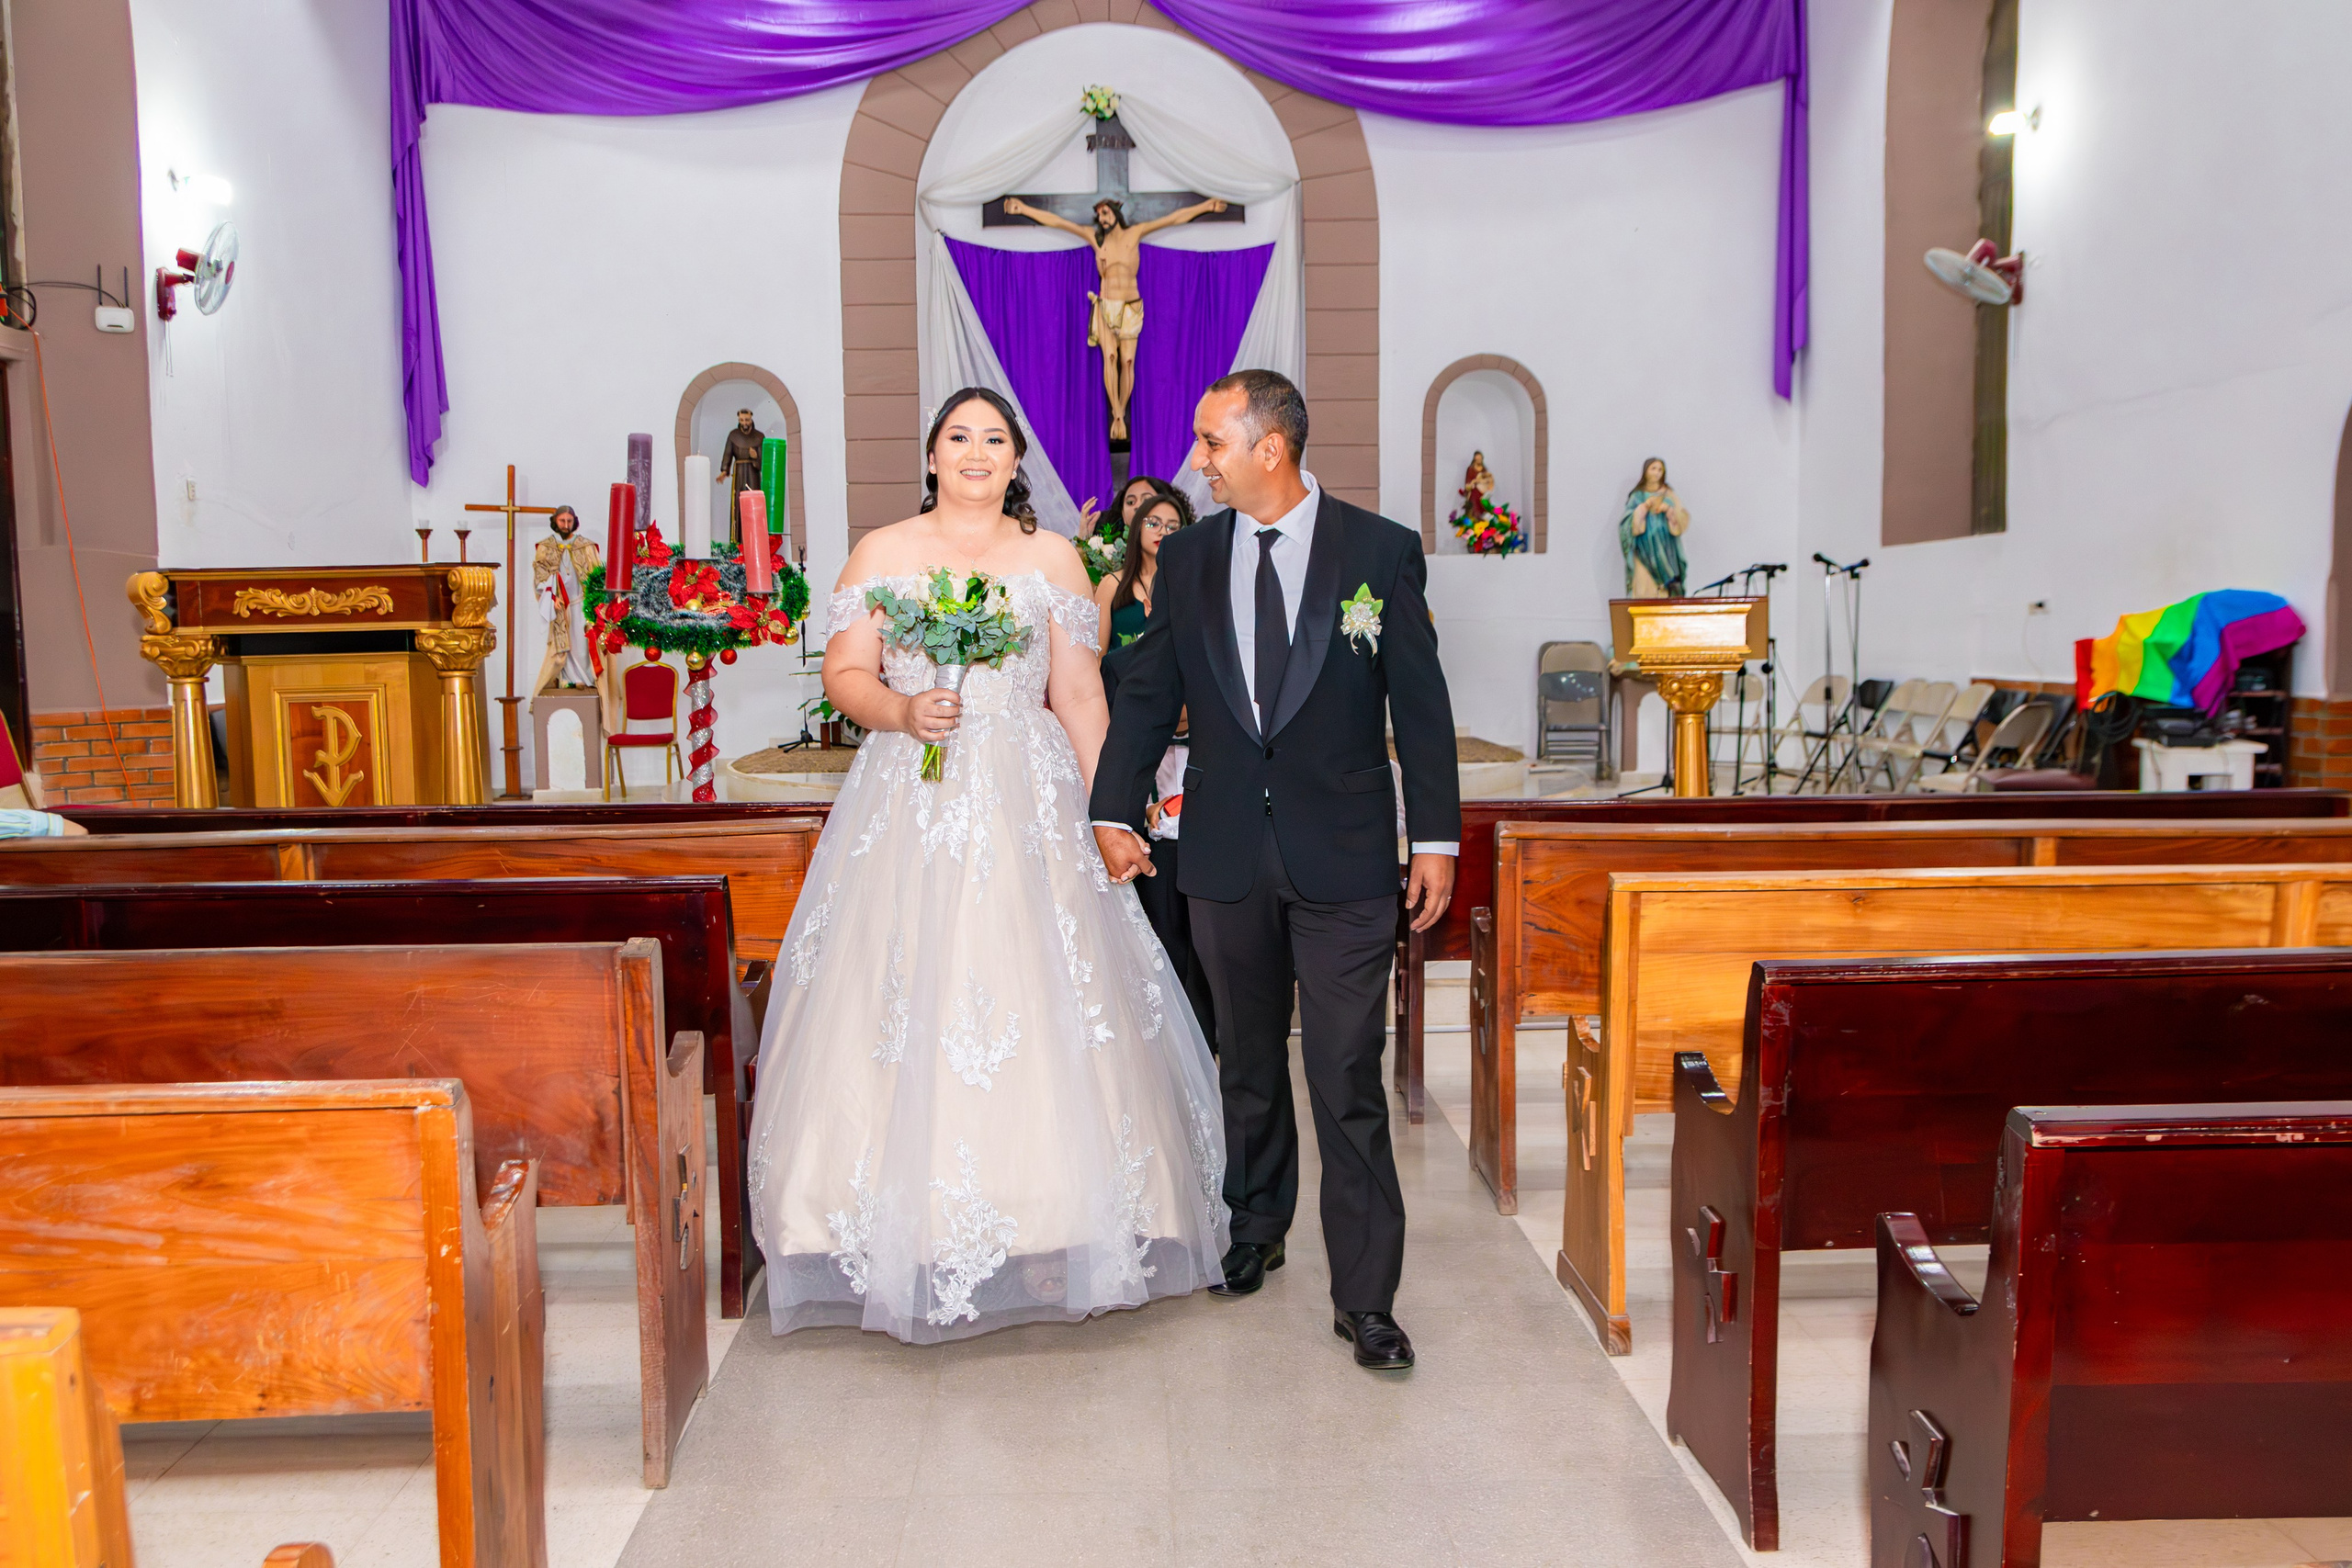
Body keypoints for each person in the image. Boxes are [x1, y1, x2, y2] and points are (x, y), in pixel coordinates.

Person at [743, 386, 1228, 1344]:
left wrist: (1109, 811)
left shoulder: (1051, 559)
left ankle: (1056, 1220)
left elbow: (1079, 694)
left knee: (1039, 986)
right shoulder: (883, 551)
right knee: (898, 991)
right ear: (932, 456)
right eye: (959, 436)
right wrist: (898, 710)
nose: (976, 451)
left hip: (1027, 793)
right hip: (909, 792)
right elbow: (846, 672)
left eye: (995, 438)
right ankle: (897, 1229)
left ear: (1015, 461)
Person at [1091, 368, 1462, 1372]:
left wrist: (1434, 837)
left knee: (1345, 1070)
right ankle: (1255, 1227)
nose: (1197, 461)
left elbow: (1420, 701)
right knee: (1246, 1062)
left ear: (1271, 447)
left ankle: (1367, 1297)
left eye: (1211, 441)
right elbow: (1147, 693)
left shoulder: (1378, 551)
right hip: (1221, 850)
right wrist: (1111, 809)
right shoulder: (1192, 555)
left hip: (1344, 854)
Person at [1001, 196, 1227, 442]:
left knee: (1127, 362)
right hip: (1106, 306)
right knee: (1110, 358)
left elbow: (1173, 218)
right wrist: (1023, 209)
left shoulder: (1134, 234)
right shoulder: (1096, 239)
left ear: (1116, 213)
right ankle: (1117, 414)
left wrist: (1207, 206)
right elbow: (1057, 222)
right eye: (1099, 215)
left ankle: (1122, 410)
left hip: (1131, 306)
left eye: (1105, 213)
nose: (1102, 218)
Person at [1095, 488, 1190, 650]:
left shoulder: (1188, 585)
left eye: (1172, 527)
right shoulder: (1112, 584)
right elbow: (1097, 658)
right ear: (1138, 528)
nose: (1163, 532)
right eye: (1153, 523)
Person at [1619, 457, 1690, 597]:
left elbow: (1681, 519)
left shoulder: (1668, 494)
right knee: (1644, 588)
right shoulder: (1638, 496)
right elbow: (1626, 524)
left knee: (1666, 591)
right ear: (1646, 471)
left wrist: (1669, 510)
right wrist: (1644, 507)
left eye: (1660, 470)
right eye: (1653, 469)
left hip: (1666, 549)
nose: (1657, 473)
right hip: (1644, 551)